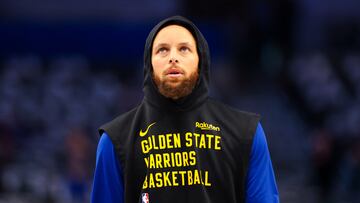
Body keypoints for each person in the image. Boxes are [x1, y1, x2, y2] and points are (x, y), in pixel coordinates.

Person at [91, 15, 279, 203]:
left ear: (200, 60)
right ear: (149, 64)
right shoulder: (115, 140)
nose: (173, 58)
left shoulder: (245, 133)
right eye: (162, 50)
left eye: (184, 49)